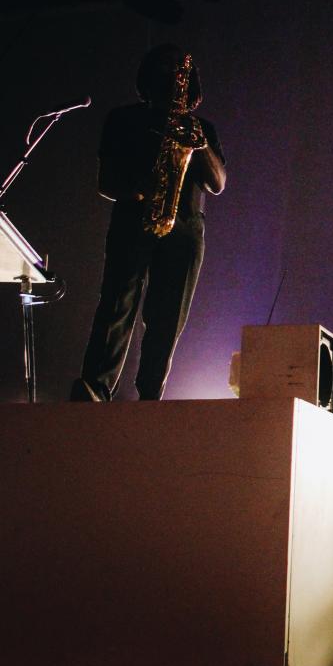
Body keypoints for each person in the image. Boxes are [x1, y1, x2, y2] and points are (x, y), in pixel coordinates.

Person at [69, 44, 226, 402]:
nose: (170, 75)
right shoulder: (123, 119)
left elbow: (217, 184)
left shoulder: (202, 127)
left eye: (177, 70)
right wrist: (141, 190)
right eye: (162, 67)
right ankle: (96, 387)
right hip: (132, 221)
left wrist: (198, 143)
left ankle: (150, 397)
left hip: (185, 228)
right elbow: (106, 182)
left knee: (168, 318)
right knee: (116, 305)